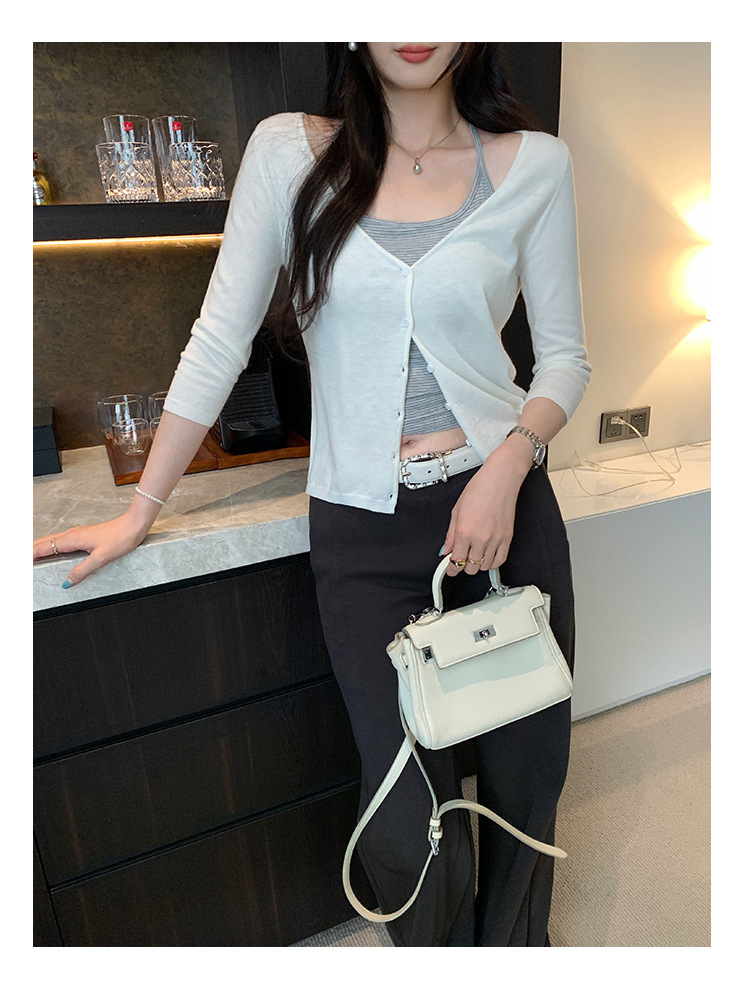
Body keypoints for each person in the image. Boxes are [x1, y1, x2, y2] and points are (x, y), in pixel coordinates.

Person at [33, 43, 591, 946]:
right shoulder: (288, 153)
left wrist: (507, 466)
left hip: (505, 512)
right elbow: (219, 337)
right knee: (407, 809)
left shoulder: (535, 165)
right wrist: (142, 509)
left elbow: (564, 358)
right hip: (365, 535)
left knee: (527, 781)